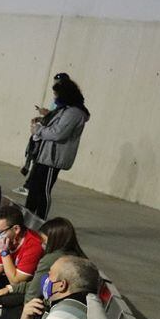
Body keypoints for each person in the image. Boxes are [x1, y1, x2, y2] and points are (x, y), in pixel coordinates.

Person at [0, 216, 86, 319]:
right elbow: (39, 283)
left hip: (47, 308)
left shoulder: (49, 259)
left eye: (45, 243)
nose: (42, 246)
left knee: (10, 312)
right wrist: (11, 288)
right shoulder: (77, 256)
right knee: (6, 297)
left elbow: (32, 292)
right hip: (62, 307)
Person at [26, 78, 90, 218]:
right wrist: (42, 122)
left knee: (43, 190)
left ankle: (40, 219)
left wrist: (38, 130)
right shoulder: (64, 109)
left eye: (56, 95)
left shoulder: (74, 113)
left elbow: (59, 133)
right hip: (45, 154)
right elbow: (54, 126)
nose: (55, 98)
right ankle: (28, 217)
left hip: (53, 158)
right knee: (33, 188)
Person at [0, 205, 44, 296]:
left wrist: (4, 252)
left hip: (27, 287)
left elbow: (16, 282)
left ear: (16, 229)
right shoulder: (4, 239)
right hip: (10, 276)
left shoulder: (34, 246)